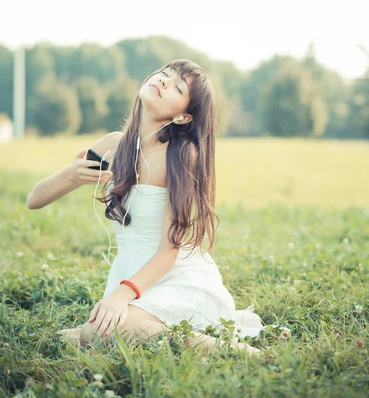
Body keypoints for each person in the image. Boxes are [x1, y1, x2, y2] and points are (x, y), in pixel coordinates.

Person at [30, 59, 264, 355]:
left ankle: (229, 350)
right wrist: (71, 175)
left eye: (177, 86)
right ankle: (92, 332)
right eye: (164, 74)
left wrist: (120, 296)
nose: (164, 81)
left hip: (178, 280)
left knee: (111, 329)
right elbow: (34, 199)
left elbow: (169, 251)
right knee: (106, 330)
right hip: (132, 278)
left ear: (183, 116)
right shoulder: (112, 145)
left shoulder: (181, 155)